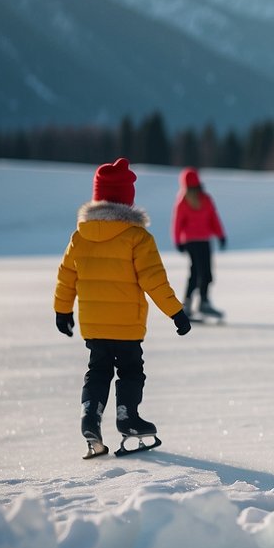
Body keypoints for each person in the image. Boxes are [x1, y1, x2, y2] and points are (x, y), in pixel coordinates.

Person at [54, 157, 192, 458]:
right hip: (127, 325)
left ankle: (90, 418)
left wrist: (62, 311)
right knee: (131, 371)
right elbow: (154, 281)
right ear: (127, 200)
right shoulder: (137, 237)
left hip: (94, 325)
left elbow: (66, 276)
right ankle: (127, 418)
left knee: (97, 371)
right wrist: (176, 313)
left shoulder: (80, 236)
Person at [172, 167, 227, 320]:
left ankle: (203, 301)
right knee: (197, 271)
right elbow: (177, 223)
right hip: (192, 241)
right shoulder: (183, 201)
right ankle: (189, 303)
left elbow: (213, 218)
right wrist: (178, 240)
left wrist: (220, 234)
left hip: (203, 240)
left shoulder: (204, 199)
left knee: (206, 272)